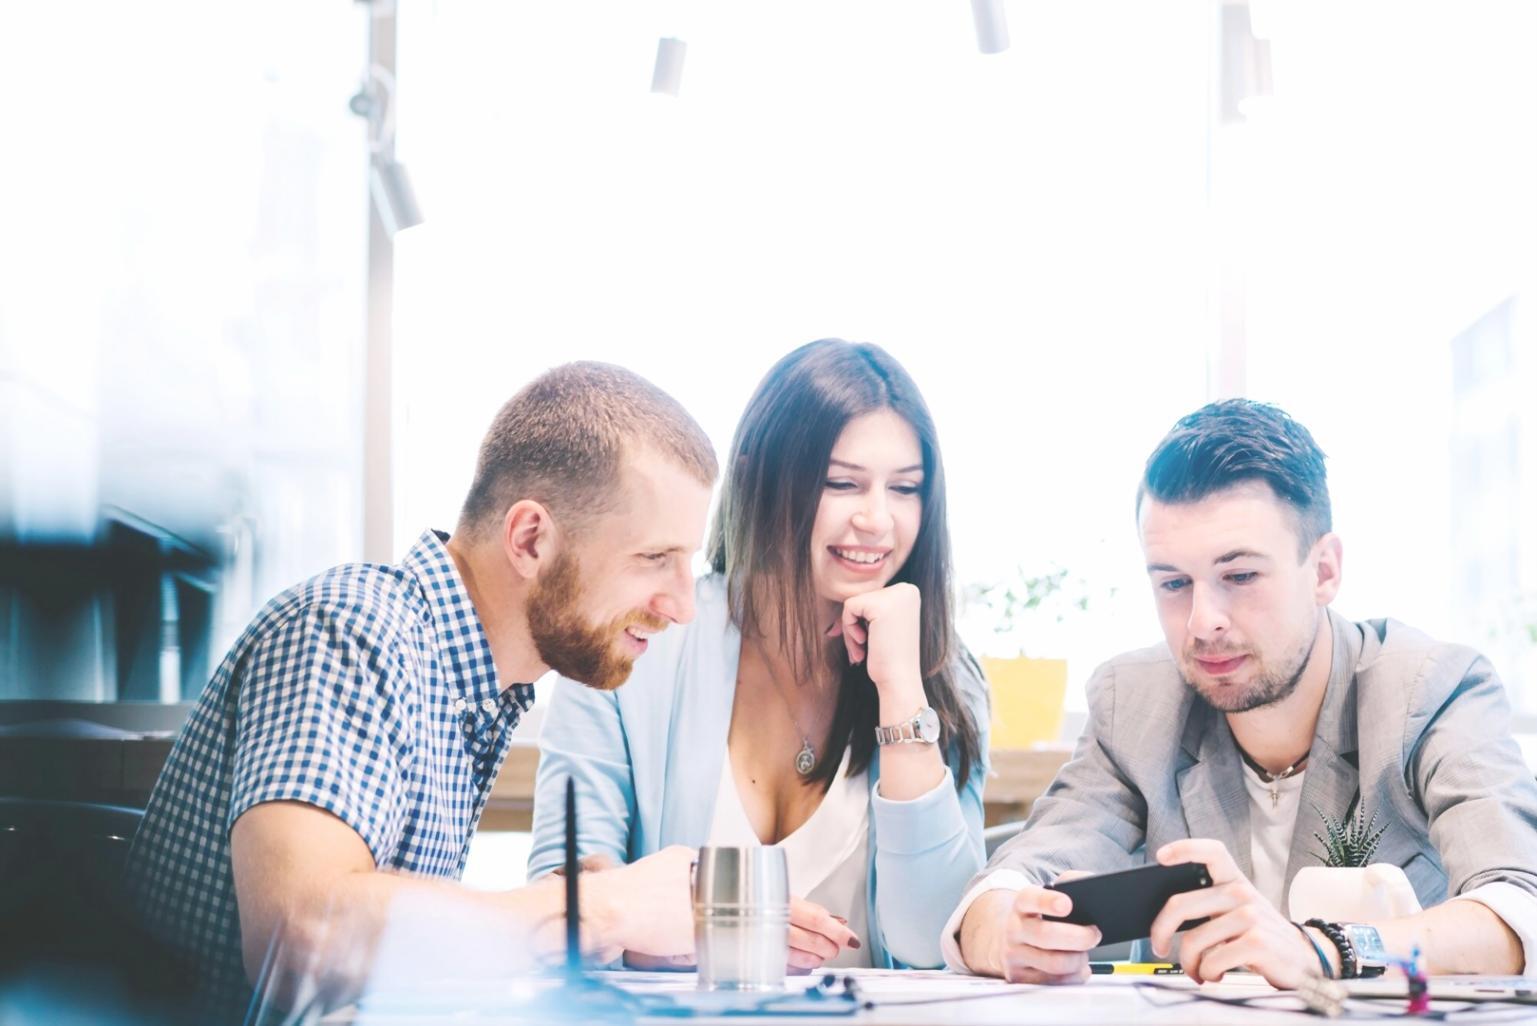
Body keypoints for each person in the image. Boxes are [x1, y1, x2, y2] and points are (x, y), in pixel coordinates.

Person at [125, 362, 719, 1018]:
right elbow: (303, 941)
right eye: (654, 559)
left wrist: (572, 922)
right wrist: (605, 912)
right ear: (530, 540)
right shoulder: (352, 629)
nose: (682, 605)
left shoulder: (472, 685)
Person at [946, 399, 1537, 987]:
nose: (1203, 622)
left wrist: (1323, 948)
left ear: (1325, 570)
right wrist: (1005, 929)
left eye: (1240, 576)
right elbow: (1002, 889)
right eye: (1174, 583)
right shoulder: (1135, 702)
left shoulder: (1431, 690)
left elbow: (1519, 906)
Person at [530, 339, 989, 971]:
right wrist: (724, 926)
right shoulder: (638, 642)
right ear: (755, 476)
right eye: (841, 483)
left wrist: (902, 692)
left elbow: (933, 946)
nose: (878, 519)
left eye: (906, 489)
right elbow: (561, 904)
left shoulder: (941, 673)